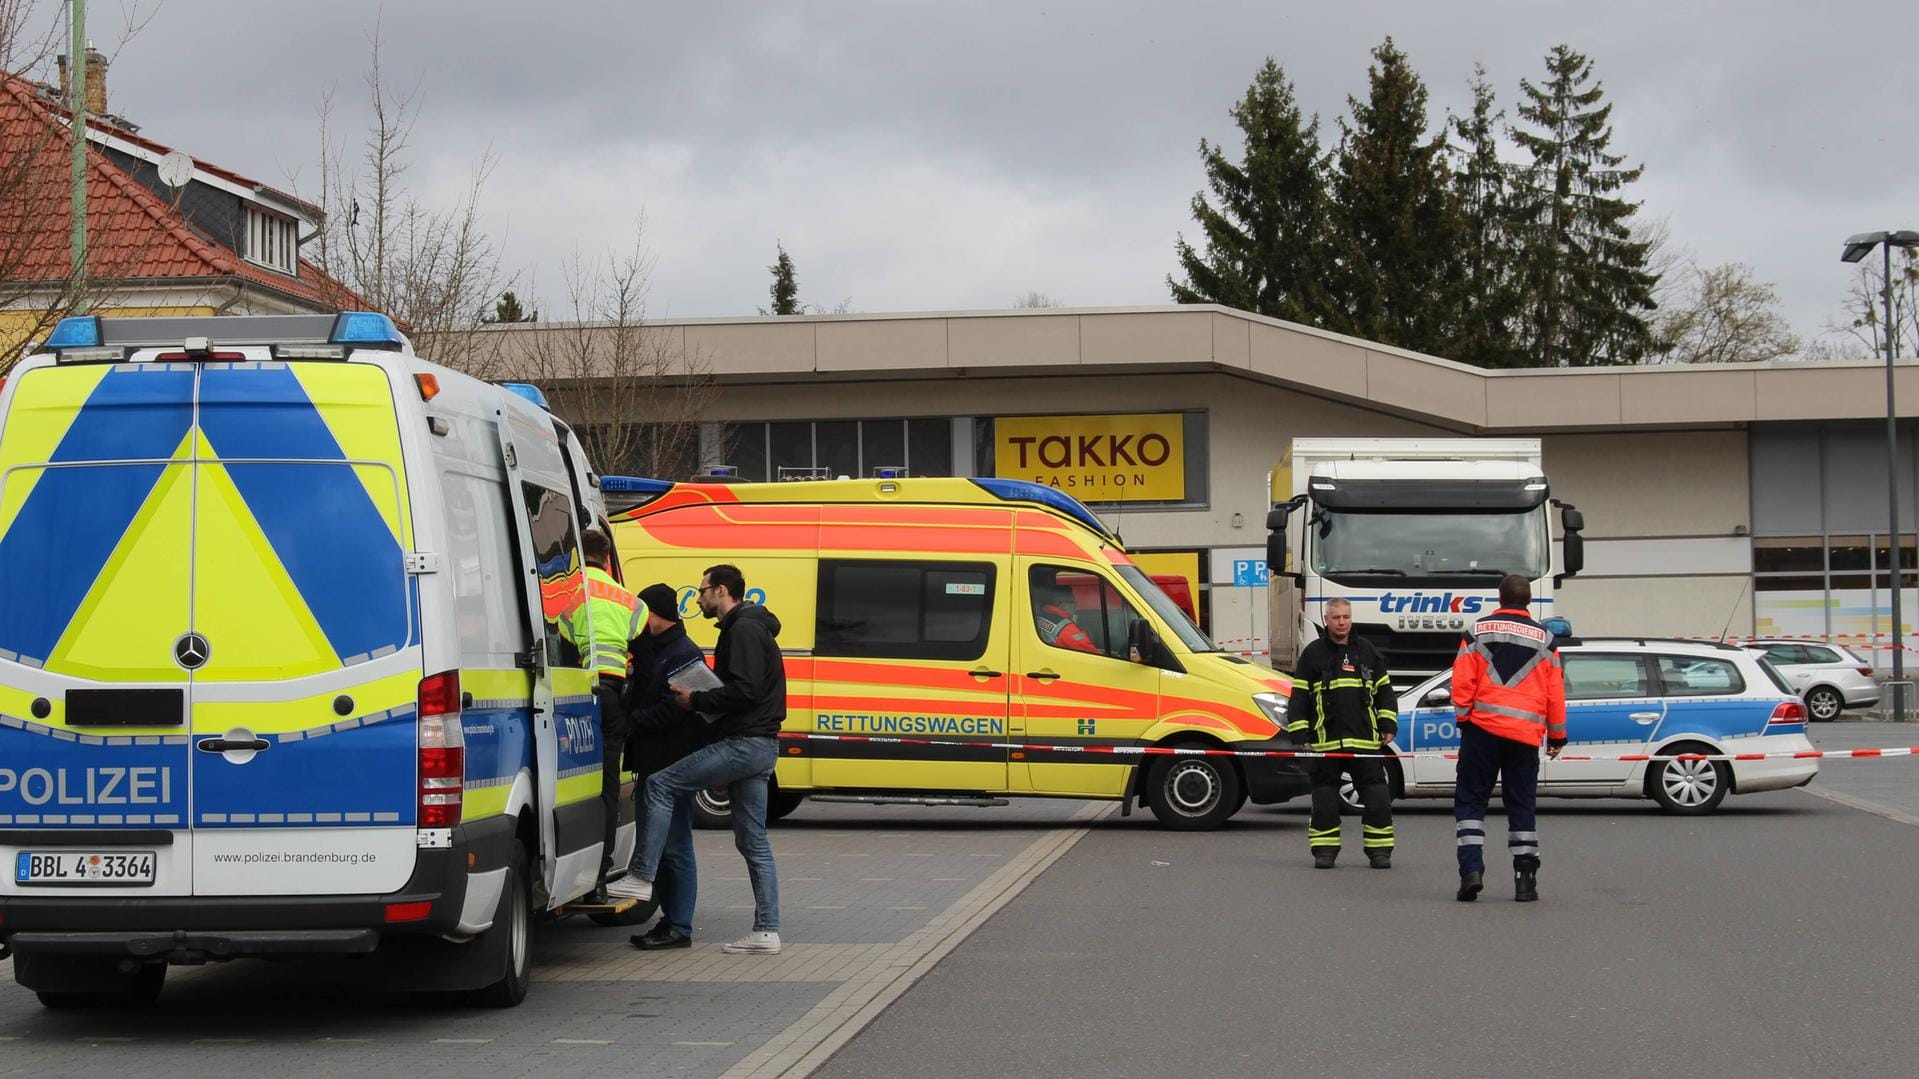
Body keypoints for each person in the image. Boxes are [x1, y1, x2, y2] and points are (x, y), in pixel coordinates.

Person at [608, 564, 784, 955]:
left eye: (702, 591)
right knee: (752, 841)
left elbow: (746, 691)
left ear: (721, 591)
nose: (698, 598)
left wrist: (697, 699)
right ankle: (766, 930)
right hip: (758, 745)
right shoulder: (748, 628)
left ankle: (640, 875)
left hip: (744, 742)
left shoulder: (743, 630)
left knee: (660, 784)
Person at [1451, 574, 1567, 903]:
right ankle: (1525, 880)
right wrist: (1557, 735)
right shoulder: (1546, 640)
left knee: (1471, 802)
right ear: (1528, 600)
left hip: (1482, 731)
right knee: (1521, 806)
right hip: (1525, 737)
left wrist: (1464, 719)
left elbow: (1461, 682)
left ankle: (1471, 871)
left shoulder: (1477, 631)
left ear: (1500, 598)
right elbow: (1555, 694)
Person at [618, 583, 705, 950]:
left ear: (651, 613)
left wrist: (629, 721)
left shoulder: (684, 654)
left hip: (672, 762)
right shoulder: (661, 649)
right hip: (656, 762)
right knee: (668, 845)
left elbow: (674, 710)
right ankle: (671, 920)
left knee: (675, 846)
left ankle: (679, 926)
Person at [1285, 597, 1396, 869]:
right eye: (1336, 617)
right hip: (1326, 742)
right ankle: (1325, 851)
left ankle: (1379, 851)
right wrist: (1299, 735)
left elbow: (1384, 692)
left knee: (1378, 799)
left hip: (1364, 743)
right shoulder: (1313, 654)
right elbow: (1299, 697)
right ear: (1326, 619)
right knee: (1324, 801)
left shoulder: (1367, 651)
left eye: (1346, 617)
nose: (1342, 622)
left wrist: (1388, 725)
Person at [577, 530, 638, 899]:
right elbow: (640, 640)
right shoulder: (628, 600)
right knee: (608, 785)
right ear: (606, 557)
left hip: (576, 692)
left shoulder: (564, 592)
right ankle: (600, 874)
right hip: (615, 694)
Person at [1036, 586, 1099, 654]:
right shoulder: (1066, 628)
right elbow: (1090, 652)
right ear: (1061, 605)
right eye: (1072, 602)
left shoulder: (1041, 616)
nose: (1075, 605)